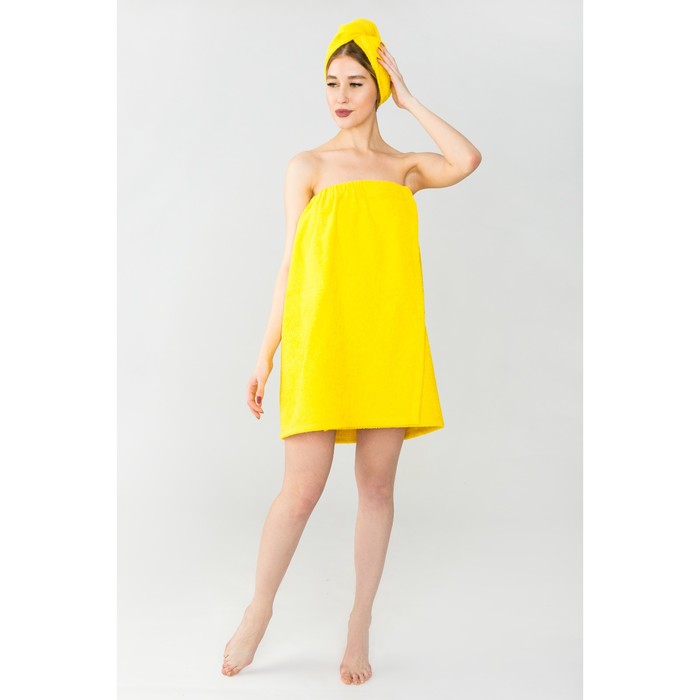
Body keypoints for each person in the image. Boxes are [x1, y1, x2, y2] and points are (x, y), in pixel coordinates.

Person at [222, 17, 481, 686]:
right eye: (332, 83)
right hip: (322, 339)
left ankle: (359, 621)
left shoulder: (404, 169)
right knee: (300, 491)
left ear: (379, 86)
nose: (340, 96)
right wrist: (265, 354)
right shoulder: (307, 166)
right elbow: (289, 265)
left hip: (387, 340)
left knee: (377, 486)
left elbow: (466, 160)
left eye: (356, 83)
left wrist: (410, 100)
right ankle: (258, 610)